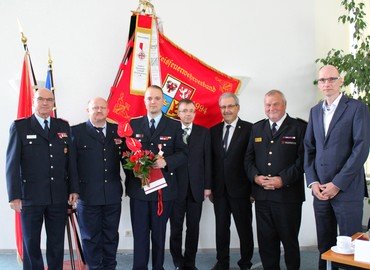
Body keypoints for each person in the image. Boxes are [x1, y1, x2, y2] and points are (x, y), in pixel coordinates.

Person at [304, 65, 370, 269]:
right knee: (325, 245)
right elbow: (309, 148)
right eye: (322, 80)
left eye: (332, 79)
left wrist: (337, 184)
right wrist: (313, 182)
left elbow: (361, 149)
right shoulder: (315, 111)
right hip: (320, 191)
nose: (327, 84)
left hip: (347, 190)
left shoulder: (357, 108)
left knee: (350, 247)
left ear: (341, 81)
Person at [6, 88, 79, 270]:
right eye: (41, 99)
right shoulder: (20, 126)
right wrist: (14, 195)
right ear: (33, 101)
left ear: (53, 103)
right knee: (31, 243)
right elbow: (12, 164)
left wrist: (74, 189)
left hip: (57, 195)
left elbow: (71, 162)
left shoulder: (62, 126)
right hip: (30, 196)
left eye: (49, 99)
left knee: (56, 242)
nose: (45, 103)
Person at [124, 85, 187, 270]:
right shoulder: (133, 125)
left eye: (157, 98)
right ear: (144, 101)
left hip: (163, 191)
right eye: (149, 98)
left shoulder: (175, 125)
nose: (153, 102)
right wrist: (134, 165)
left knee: (159, 236)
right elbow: (124, 153)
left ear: (163, 101)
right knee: (140, 235)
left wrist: (166, 162)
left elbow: (184, 154)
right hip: (139, 190)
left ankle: (158, 267)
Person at [245, 90, 306, 269]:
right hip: (262, 197)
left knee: (290, 243)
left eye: (275, 104)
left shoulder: (299, 127)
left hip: (288, 197)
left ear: (284, 105)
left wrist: (282, 179)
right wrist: (255, 177)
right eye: (268, 104)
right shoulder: (257, 128)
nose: (271, 108)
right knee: (266, 244)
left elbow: (303, 160)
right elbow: (248, 159)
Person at [71, 97, 124, 269]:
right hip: (87, 196)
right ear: (88, 110)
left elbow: (128, 160)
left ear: (108, 110)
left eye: (102, 107)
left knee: (111, 236)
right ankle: (94, 267)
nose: (99, 110)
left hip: (112, 194)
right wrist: (73, 190)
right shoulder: (76, 132)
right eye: (95, 108)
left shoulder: (119, 131)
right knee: (90, 237)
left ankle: (110, 267)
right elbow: (70, 164)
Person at [210, 92, 254, 270]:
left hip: (242, 190)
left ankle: (245, 262)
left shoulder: (250, 129)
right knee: (221, 229)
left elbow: (253, 160)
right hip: (219, 191)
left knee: (244, 229)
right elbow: (211, 162)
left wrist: (253, 189)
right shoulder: (213, 131)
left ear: (238, 108)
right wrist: (210, 187)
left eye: (230, 106)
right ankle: (222, 262)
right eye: (223, 107)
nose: (226, 110)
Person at [169, 99, 212, 270]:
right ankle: (177, 261)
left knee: (193, 228)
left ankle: (190, 262)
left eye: (191, 111)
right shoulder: (171, 131)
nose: (188, 114)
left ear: (195, 113)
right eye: (184, 110)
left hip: (196, 189)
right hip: (175, 189)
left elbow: (207, 161)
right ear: (178, 113)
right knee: (176, 228)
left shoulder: (204, 132)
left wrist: (207, 186)